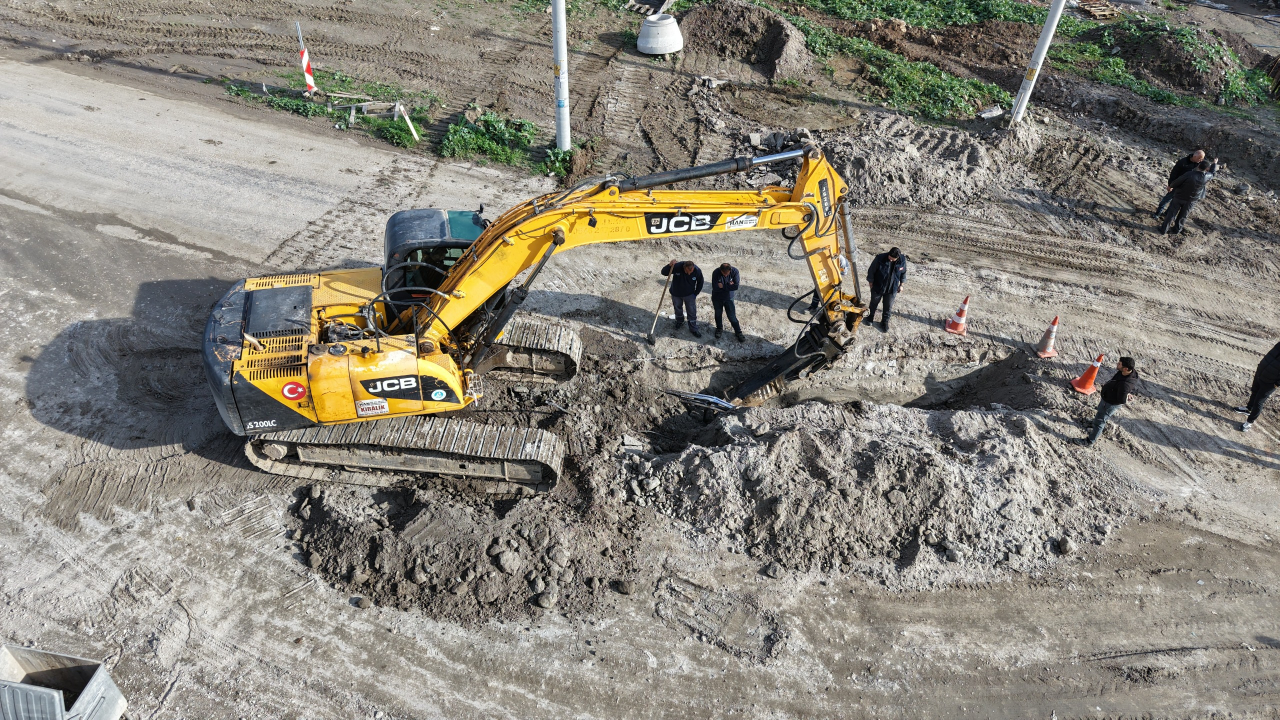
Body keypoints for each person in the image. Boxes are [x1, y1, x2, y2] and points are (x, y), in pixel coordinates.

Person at [1074, 357, 1140, 447]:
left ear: (1125, 368)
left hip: (1109, 404)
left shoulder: (1125, 385)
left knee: (1100, 422)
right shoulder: (1128, 373)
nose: (1117, 364)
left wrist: (1124, 395)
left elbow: (1121, 400)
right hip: (1106, 399)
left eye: (1119, 364)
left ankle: (1090, 441)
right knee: (1099, 413)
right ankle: (1094, 423)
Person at [1160, 157, 1218, 235]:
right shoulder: (1206, 177)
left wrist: (1171, 185)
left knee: (1171, 214)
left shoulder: (1189, 174)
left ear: (1199, 165)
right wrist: (1214, 164)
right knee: (1183, 216)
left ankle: (1164, 229)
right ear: (1206, 169)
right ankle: (1176, 230)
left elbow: (1176, 182)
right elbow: (1212, 173)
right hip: (1191, 200)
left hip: (1179, 197)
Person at [1234, 340, 1280, 432]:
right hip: (1261, 372)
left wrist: (1277, 384)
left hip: (1270, 382)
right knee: (1254, 391)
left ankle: (1249, 423)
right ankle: (1248, 409)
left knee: (1259, 402)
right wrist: (1260, 366)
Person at [1153, 149, 1205, 219]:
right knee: (1166, 200)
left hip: (1184, 188)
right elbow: (1174, 173)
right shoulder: (1183, 162)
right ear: (1194, 156)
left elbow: (1206, 166)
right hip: (1176, 184)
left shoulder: (1198, 163)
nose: (1201, 160)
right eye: (1200, 158)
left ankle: (1166, 214)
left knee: (1174, 203)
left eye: (1202, 159)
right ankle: (1157, 213)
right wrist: (1170, 185)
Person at [865, 247, 907, 332]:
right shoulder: (880, 258)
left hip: (892, 289)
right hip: (878, 286)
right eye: (890, 258)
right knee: (873, 303)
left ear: (897, 258)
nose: (891, 260)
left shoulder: (902, 260)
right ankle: (870, 318)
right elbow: (871, 270)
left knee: (888, 307)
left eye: (893, 259)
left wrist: (901, 285)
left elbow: (903, 273)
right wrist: (870, 282)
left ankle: (884, 322)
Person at [661, 259, 704, 338]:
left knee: (691, 311)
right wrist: (669, 265)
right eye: (687, 271)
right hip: (676, 293)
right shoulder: (677, 266)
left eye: (690, 272)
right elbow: (664, 272)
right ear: (684, 267)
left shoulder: (697, 270)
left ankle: (693, 328)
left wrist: (695, 293)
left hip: (690, 295)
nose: (689, 273)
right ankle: (679, 321)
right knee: (677, 308)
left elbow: (700, 282)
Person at [710, 262, 745, 342]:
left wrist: (723, 286)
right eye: (723, 274)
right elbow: (715, 288)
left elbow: (736, 286)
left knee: (732, 316)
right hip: (717, 298)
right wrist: (729, 285)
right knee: (718, 314)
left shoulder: (735, 271)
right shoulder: (716, 272)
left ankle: (738, 332)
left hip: (729, 298)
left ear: (730, 270)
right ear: (720, 270)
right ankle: (719, 329)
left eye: (727, 274)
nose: (725, 275)